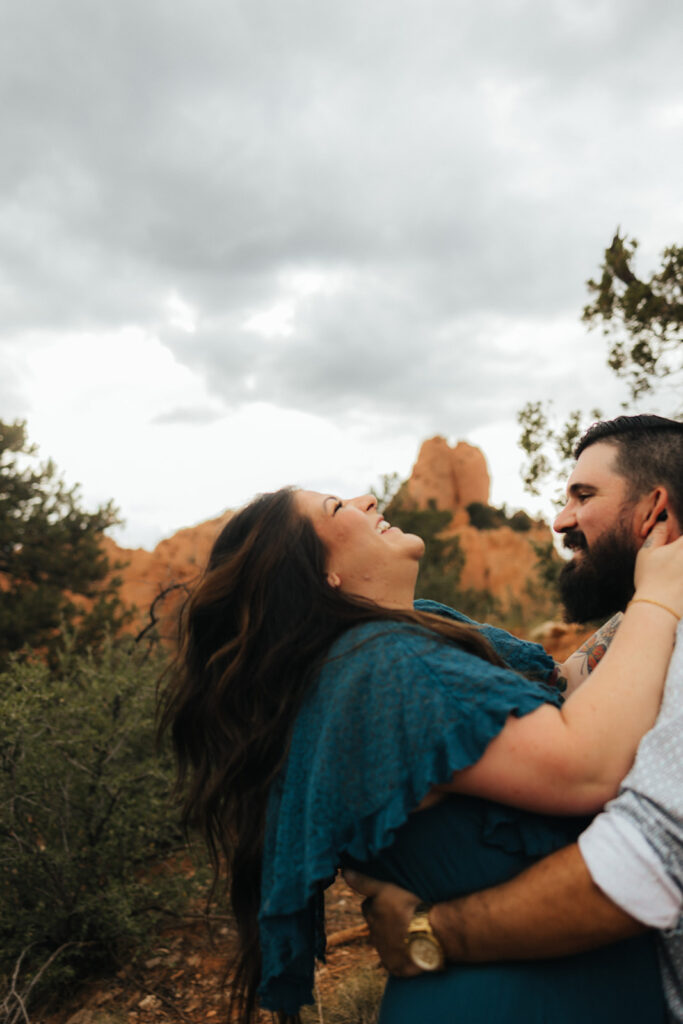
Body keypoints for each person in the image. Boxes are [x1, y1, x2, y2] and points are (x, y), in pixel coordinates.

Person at [158, 420, 683, 1024]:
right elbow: (586, 764)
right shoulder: (382, 664)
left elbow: (568, 684)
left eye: (582, 496)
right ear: (320, 575)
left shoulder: (410, 638)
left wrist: (652, 588)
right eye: (337, 507)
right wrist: (657, 599)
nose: (368, 500)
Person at [347, 414, 683, 1022]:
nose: (560, 520)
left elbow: (649, 861)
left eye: (583, 496)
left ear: (655, 512)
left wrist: (429, 931)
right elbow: (573, 683)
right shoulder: (655, 621)